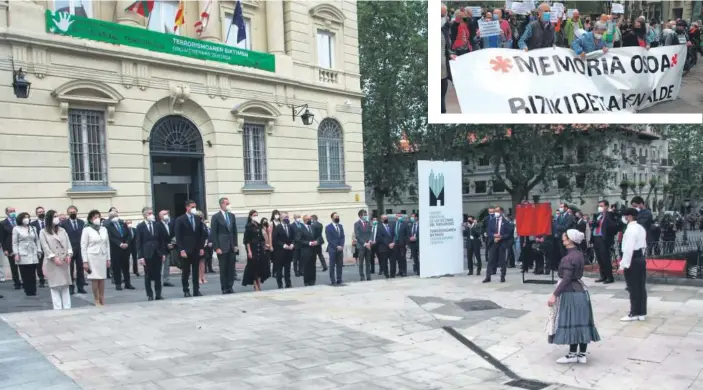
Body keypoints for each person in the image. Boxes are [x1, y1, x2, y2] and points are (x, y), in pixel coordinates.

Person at [547, 229, 600, 364]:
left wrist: (554, 294)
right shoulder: (579, 254)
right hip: (581, 292)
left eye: (564, 238)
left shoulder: (569, 257)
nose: (562, 240)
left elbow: (566, 279)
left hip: (571, 293)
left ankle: (572, 354)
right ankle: (581, 354)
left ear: (570, 240)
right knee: (582, 322)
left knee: (571, 322)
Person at [39, 210, 73, 310]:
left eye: (57, 216)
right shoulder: (43, 232)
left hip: (64, 260)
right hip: (52, 262)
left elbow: (68, 243)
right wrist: (54, 258)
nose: (57, 218)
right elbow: (45, 247)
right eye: (54, 216)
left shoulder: (63, 230)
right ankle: (57, 309)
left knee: (65, 286)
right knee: (55, 286)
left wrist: (69, 254)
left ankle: (67, 308)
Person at [174, 200, 207, 297]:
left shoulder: (197, 218)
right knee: (186, 271)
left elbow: (201, 234)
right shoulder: (180, 219)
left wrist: (201, 247)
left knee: (196, 270)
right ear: (187, 207)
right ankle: (186, 290)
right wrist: (182, 250)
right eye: (192, 207)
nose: (194, 209)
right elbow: (178, 236)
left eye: (195, 207)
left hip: (196, 249)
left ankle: (196, 290)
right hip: (186, 249)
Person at [620, 208, 648, 322]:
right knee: (641, 286)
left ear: (629, 216)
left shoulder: (631, 229)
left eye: (625, 216)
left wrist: (623, 265)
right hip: (640, 257)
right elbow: (644, 246)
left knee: (633, 287)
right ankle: (641, 312)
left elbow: (628, 249)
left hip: (633, 259)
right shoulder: (641, 228)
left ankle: (634, 312)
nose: (624, 218)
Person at [81, 210, 110, 306]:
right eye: (94, 217)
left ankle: (102, 297)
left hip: (102, 255)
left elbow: (107, 244)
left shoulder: (103, 229)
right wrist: (85, 261)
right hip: (92, 256)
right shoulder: (87, 230)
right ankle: (96, 298)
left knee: (102, 278)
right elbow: (83, 246)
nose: (97, 219)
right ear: (90, 219)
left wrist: (108, 258)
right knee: (95, 278)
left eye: (98, 217)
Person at [135, 207, 165, 301]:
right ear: (144, 215)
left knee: (158, 275)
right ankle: (150, 294)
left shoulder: (157, 225)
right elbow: (138, 242)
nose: (151, 215)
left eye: (152, 213)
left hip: (157, 253)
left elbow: (161, 240)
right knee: (148, 275)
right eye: (149, 213)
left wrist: (163, 253)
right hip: (147, 253)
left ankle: (158, 294)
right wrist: (140, 256)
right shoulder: (140, 226)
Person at [210, 197, 239, 294]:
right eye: (227, 203)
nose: (228, 205)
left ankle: (230, 286)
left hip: (231, 246)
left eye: (228, 203)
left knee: (231, 268)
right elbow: (213, 233)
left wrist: (235, 244)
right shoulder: (216, 217)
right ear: (221, 204)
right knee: (223, 268)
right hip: (222, 246)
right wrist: (216, 247)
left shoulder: (232, 216)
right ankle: (224, 287)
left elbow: (234, 231)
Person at [12, 212, 42, 296]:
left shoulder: (33, 228)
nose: (27, 219)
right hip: (22, 252)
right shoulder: (16, 228)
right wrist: (16, 253)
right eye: (25, 217)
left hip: (32, 252)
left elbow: (37, 240)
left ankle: (33, 290)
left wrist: (39, 250)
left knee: (32, 272)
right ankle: (27, 290)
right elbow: (14, 243)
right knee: (25, 273)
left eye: (28, 217)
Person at [105, 209, 134, 291]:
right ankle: (118, 284)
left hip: (125, 249)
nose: (115, 218)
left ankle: (127, 283)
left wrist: (127, 243)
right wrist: (120, 244)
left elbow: (129, 234)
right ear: (110, 218)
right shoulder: (108, 226)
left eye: (116, 216)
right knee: (116, 267)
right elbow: (110, 237)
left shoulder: (122, 224)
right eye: (113, 216)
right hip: (116, 249)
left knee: (126, 266)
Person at [242, 210, 270, 291]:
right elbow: (247, 240)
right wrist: (249, 251)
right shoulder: (248, 226)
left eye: (257, 215)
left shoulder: (259, 225)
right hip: (252, 247)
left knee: (260, 266)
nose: (255, 216)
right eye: (254, 215)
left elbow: (262, 238)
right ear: (250, 216)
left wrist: (265, 245)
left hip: (259, 247)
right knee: (253, 267)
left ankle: (259, 282)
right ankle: (255, 284)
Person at [591, 200, 617, 284]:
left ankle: (609, 277)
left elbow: (614, 226)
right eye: (599, 206)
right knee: (599, 258)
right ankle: (603, 276)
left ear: (606, 206)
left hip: (603, 239)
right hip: (596, 237)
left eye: (601, 206)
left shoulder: (609, 215)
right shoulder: (598, 216)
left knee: (605, 258)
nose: (600, 207)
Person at [62, 205, 86, 295]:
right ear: (68, 213)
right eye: (70, 212)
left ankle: (81, 287)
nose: (73, 213)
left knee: (80, 268)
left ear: (77, 212)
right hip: (70, 249)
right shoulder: (64, 224)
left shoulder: (81, 222)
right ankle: (71, 287)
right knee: (70, 269)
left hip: (80, 249)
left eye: (74, 212)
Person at [483, 207, 512, 283]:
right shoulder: (491, 221)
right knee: (491, 260)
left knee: (502, 261)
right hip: (493, 243)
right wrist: (494, 236)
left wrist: (501, 237)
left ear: (501, 212)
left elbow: (508, 234)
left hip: (502, 243)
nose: (496, 213)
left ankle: (502, 276)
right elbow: (489, 231)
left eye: (497, 211)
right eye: (495, 211)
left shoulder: (506, 222)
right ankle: (488, 277)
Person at [1, 206, 21, 290]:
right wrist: (5, 249)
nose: (13, 212)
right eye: (10, 211)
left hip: (21, 246)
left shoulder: (19, 221)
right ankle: (16, 282)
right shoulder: (3, 223)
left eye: (14, 211)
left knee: (23, 265)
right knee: (13, 266)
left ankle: (23, 280)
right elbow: (2, 237)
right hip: (10, 247)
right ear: (7, 213)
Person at [272, 212, 294, 289]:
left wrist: (292, 244)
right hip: (280, 253)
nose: (287, 218)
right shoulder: (277, 228)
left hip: (288, 252)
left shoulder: (290, 227)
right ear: (281, 218)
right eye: (285, 217)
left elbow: (293, 238)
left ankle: (288, 283)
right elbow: (275, 240)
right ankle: (280, 284)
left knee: (287, 269)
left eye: (287, 217)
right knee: (279, 270)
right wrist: (283, 245)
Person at [157, 210, 176, 287]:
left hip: (169, 247)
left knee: (167, 265)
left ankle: (166, 280)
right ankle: (158, 280)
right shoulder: (157, 225)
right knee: (160, 265)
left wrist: (172, 243)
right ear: (160, 216)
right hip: (160, 247)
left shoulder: (170, 224)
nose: (166, 215)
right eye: (164, 214)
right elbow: (158, 238)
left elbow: (173, 234)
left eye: (167, 214)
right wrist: (166, 244)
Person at [325, 212, 345, 285]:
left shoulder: (340, 226)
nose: (337, 217)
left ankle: (339, 279)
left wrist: (342, 245)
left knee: (340, 264)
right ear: (332, 218)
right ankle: (333, 280)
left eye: (338, 216)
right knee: (332, 265)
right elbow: (329, 239)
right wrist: (336, 246)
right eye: (336, 216)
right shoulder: (328, 227)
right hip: (332, 248)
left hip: (340, 248)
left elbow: (342, 236)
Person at [354, 209, 373, 281]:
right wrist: (365, 243)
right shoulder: (356, 224)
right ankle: (362, 276)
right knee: (361, 262)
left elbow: (371, 233)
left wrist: (369, 242)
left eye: (366, 214)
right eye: (364, 215)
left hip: (368, 245)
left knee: (368, 262)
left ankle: (368, 276)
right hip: (361, 246)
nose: (366, 216)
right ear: (360, 216)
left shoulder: (369, 223)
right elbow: (357, 235)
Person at [30, 206, 47, 288]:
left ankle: (51, 279)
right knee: (39, 265)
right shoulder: (32, 224)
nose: (41, 213)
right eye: (39, 212)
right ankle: (41, 280)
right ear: (36, 214)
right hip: (38, 246)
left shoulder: (49, 222)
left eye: (42, 211)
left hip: (49, 246)